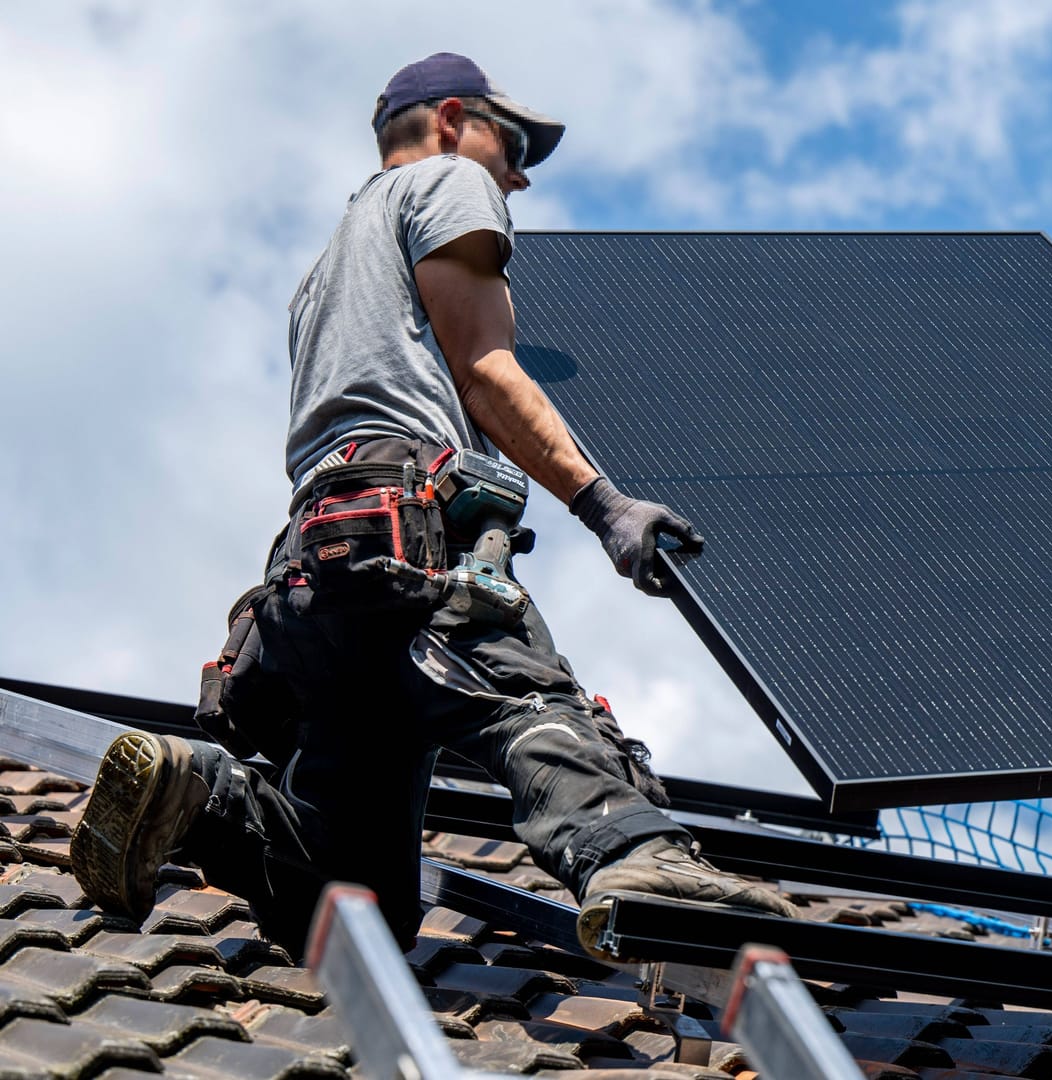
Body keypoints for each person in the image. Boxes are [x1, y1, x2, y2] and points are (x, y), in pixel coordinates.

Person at [70, 53, 792, 959]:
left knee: (349, 900)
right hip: (411, 543)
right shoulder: (449, 182)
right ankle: (639, 858)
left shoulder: (324, 271)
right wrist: (603, 504)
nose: (521, 172)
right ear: (451, 119)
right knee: (526, 707)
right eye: (515, 140)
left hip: (311, 578)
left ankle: (203, 797)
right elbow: (484, 367)